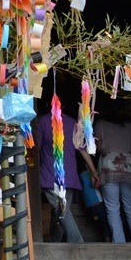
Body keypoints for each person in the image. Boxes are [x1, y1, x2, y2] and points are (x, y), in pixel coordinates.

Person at [34, 104, 98, 243]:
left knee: (62, 212)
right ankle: (55, 242)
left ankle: (78, 243)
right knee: (61, 211)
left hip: (50, 175)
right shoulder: (72, 123)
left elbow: (34, 149)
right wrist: (93, 171)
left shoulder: (43, 121)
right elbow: (82, 149)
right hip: (69, 176)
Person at [94, 102, 131, 243]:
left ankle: (119, 242)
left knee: (112, 208)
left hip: (108, 166)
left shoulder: (100, 124)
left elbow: (99, 148)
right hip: (128, 166)